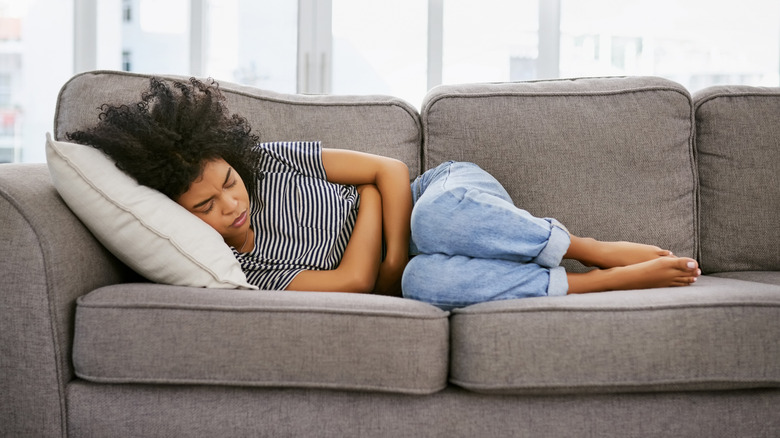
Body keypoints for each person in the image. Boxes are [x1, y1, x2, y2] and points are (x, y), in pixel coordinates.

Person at [67, 77, 700, 310]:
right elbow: (346, 286)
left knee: (432, 226)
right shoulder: (240, 268)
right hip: (432, 263)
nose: (231, 204)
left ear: (235, 161)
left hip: (448, 200)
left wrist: (387, 255)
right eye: (205, 207)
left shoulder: (269, 162)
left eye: (228, 184)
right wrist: (373, 212)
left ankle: (590, 247)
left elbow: (394, 176)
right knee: (428, 285)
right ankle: (600, 282)